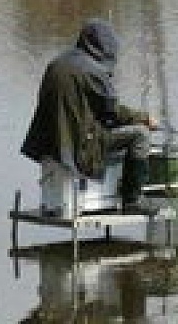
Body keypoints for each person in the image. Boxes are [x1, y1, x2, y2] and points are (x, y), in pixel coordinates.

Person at [21, 18, 160, 214]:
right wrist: (144, 118)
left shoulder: (56, 63)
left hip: (49, 143)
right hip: (78, 145)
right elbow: (112, 112)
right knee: (140, 135)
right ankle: (132, 201)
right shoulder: (93, 71)